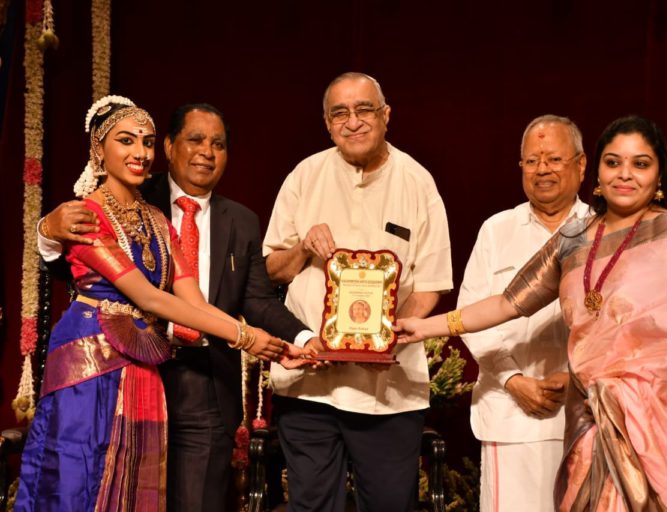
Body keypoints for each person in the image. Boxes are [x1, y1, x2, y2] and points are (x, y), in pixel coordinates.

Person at [398, 115, 667, 511]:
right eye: (614, 162)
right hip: (590, 423)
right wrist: (425, 327)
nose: (625, 175)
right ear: (598, 170)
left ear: (659, 174)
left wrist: (619, 390)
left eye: (640, 164)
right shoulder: (575, 239)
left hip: (655, 433)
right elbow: (507, 303)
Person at [16, 96, 309, 511]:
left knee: (135, 488)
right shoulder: (88, 215)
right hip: (90, 363)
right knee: (81, 481)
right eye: (126, 141)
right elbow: (151, 297)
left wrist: (263, 338)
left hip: (141, 366)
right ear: (99, 148)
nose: (140, 153)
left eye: (146, 142)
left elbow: (196, 302)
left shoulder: (156, 219)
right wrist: (245, 336)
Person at [262, 72, 453, 511]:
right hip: (309, 385)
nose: (354, 122)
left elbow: (430, 285)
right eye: (340, 113)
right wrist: (303, 247)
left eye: (365, 109)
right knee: (310, 506)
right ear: (327, 124)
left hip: (389, 390)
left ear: (386, 115)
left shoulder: (417, 182)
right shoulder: (304, 176)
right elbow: (271, 269)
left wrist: (383, 336)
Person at [457, 114, 590, 511]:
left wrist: (575, 376)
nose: (542, 170)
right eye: (532, 161)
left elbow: (619, 326)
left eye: (554, 159)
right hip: (508, 413)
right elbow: (471, 314)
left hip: (584, 416)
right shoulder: (496, 229)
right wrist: (513, 379)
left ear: (581, 165)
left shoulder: (600, 229)